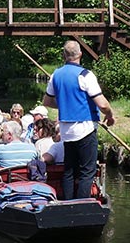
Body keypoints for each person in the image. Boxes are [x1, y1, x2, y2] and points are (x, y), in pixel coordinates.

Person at [42, 40, 114, 199]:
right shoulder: (85, 75)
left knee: (69, 170)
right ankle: (82, 204)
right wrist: (110, 115)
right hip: (85, 128)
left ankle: (68, 203)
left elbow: (47, 102)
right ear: (80, 54)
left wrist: (65, 105)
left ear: (64, 56)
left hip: (67, 130)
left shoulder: (56, 75)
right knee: (87, 171)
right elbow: (102, 104)